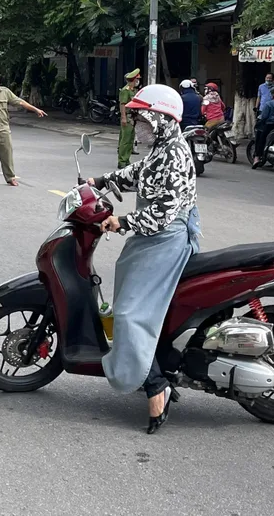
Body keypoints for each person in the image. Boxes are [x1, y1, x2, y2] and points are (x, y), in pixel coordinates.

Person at [86, 84, 200, 434]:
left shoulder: (175, 154)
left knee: (129, 314)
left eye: (142, 120)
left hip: (165, 238)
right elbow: (138, 173)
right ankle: (150, 367)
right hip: (152, 238)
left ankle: (155, 386)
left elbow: (162, 213)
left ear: (161, 120)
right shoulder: (163, 149)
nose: (137, 125)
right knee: (128, 302)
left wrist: (121, 221)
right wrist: (99, 180)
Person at [0, 66, 47, 186]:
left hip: (3, 129)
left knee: (7, 154)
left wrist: (35, 109)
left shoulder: (5, 92)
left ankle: (10, 177)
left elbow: (20, 102)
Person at [117, 68, 141, 168]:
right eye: (137, 79)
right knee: (125, 140)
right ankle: (121, 161)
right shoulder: (125, 90)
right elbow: (122, 104)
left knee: (130, 140)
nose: (138, 81)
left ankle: (126, 159)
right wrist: (123, 118)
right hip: (127, 117)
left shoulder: (133, 90)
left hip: (133, 118)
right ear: (133, 79)